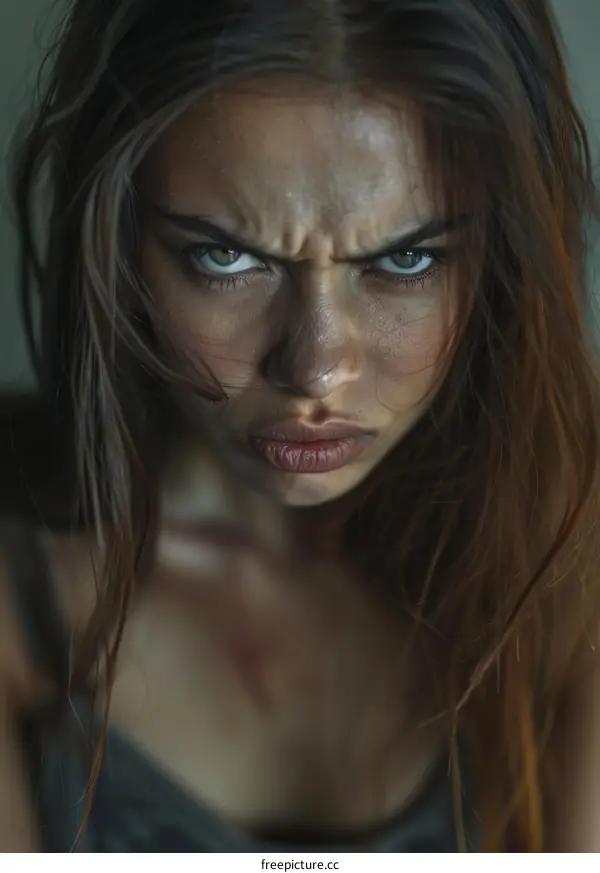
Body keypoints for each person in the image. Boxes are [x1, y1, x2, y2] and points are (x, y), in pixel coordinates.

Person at [0, 0, 598, 853]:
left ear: (498, 257)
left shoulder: (574, 553)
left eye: (407, 258)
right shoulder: (22, 584)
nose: (316, 369)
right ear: (119, 238)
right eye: (226, 257)